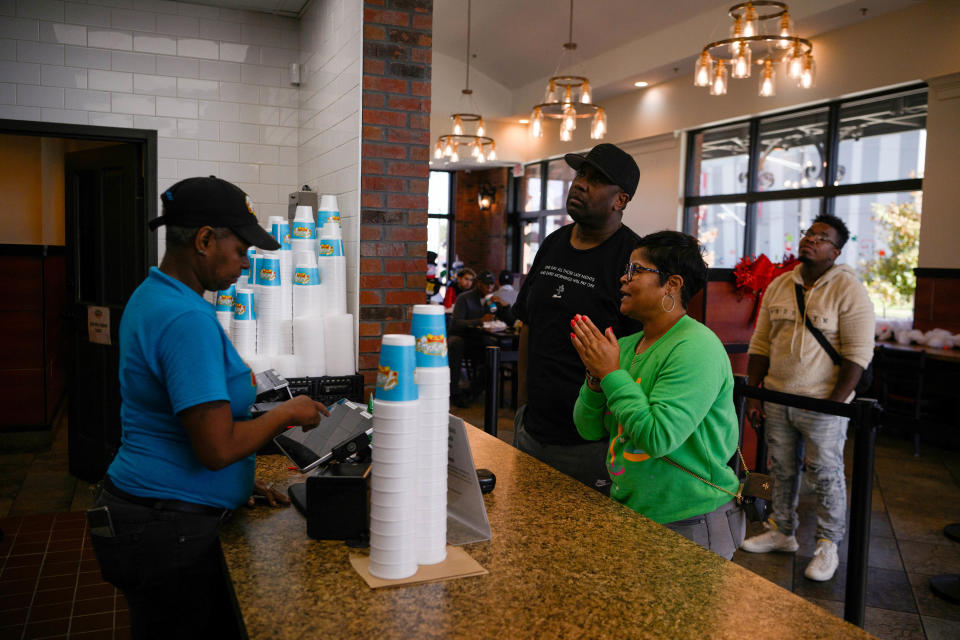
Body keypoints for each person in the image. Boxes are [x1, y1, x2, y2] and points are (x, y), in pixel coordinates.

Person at [88, 176, 330, 639]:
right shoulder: (186, 318)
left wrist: (239, 482)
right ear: (203, 240)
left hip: (148, 508)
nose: (245, 264)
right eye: (240, 251)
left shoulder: (153, 294)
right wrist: (286, 412)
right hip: (166, 524)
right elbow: (215, 447)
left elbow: (179, 422)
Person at [571, 231, 745, 560]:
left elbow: (658, 436)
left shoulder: (696, 347)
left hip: (690, 518)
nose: (624, 278)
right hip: (633, 509)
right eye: (627, 269)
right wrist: (596, 378)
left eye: (636, 270)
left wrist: (610, 373)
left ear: (672, 285)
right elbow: (588, 428)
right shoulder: (623, 347)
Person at [740, 214, 875, 581]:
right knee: (781, 468)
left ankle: (827, 544)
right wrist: (754, 395)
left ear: (836, 250)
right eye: (809, 234)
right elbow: (761, 344)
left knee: (825, 474)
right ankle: (783, 531)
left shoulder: (849, 289)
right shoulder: (780, 285)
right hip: (778, 398)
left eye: (822, 237)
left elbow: (858, 355)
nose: (811, 240)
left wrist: (833, 404)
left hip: (823, 403)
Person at [513, 143, 643, 492]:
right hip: (532, 429)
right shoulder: (552, 244)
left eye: (596, 180)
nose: (581, 184)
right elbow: (529, 323)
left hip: (592, 444)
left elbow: (642, 353)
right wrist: (524, 402)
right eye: (581, 174)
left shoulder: (633, 259)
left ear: (620, 200)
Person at [448, 270, 516, 406]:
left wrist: (506, 306)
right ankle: (454, 392)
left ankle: (471, 393)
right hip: (464, 337)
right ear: (478, 284)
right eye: (486, 285)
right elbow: (456, 323)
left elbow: (511, 322)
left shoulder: (493, 300)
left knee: (493, 352)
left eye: (491, 285)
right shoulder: (464, 298)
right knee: (456, 344)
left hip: (482, 339)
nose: (489, 288)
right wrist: (479, 321)